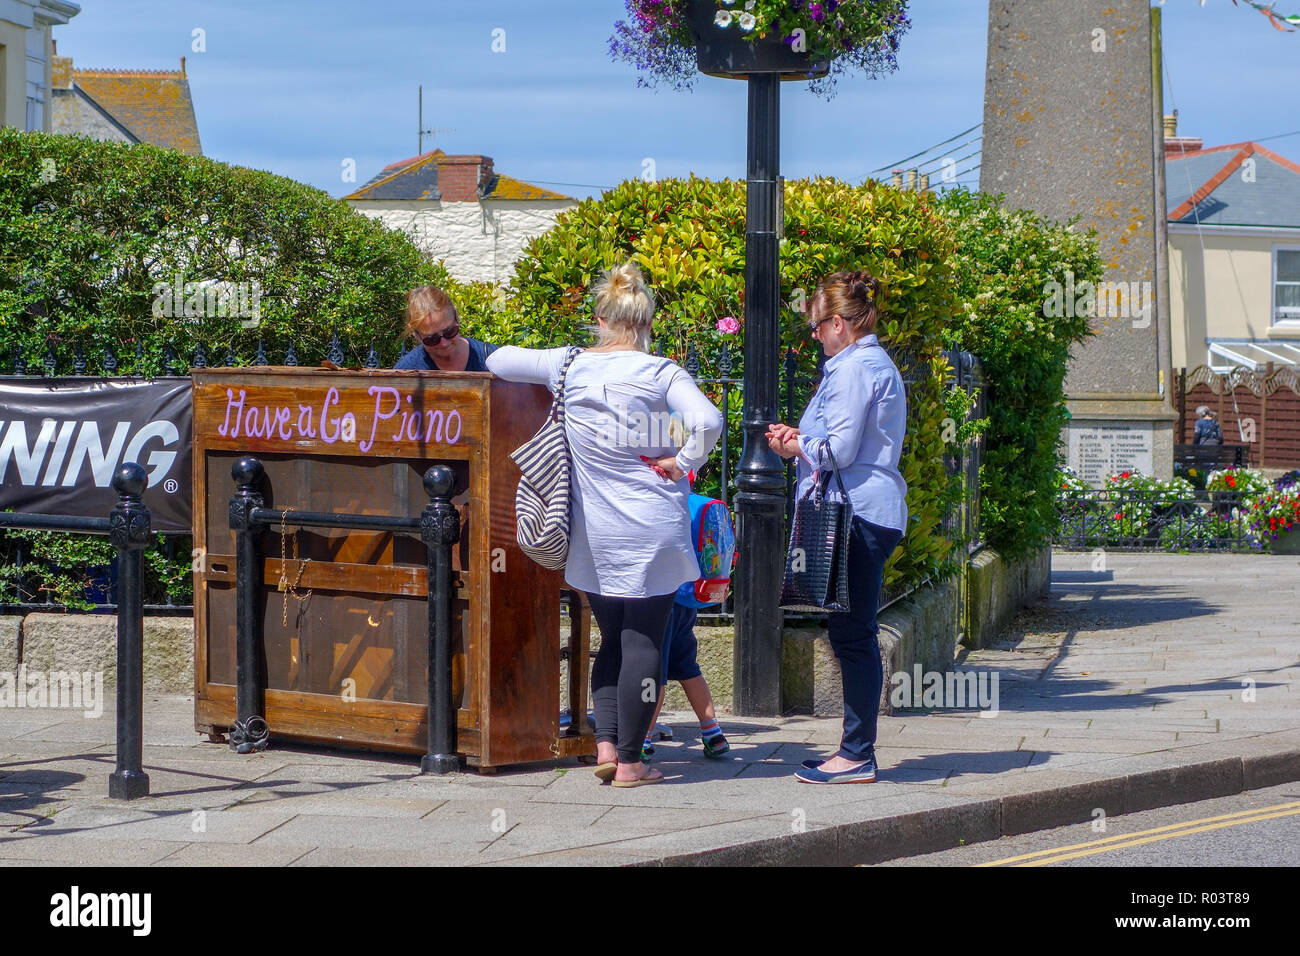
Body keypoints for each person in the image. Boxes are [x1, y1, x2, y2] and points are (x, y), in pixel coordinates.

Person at [486, 262, 723, 787]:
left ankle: (608, 747)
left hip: (594, 533)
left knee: (611, 639)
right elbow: (708, 421)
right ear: (647, 321)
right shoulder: (661, 373)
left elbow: (499, 359)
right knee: (645, 643)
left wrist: (559, 360)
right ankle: (633, 764)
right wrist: (680, 464)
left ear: (600, 319)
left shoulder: (570, 366)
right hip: (651, 529)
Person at [766, 271, 908, 785]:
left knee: (853, 637)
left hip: (857, 513)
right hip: (869, 509)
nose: (814, 335)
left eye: (818, 325)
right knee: (851, 634)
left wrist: (794, 445)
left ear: (840, 324)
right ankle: (852, 752)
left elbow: (838, 452)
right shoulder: (869, 364)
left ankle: (856, 755)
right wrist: (801, 437)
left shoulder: (852, 370)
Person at [642, 600, 729, 761]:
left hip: (660, 601)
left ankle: (642, 741)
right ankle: (714, 735)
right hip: (686, 603)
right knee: (688, 670)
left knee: (654, 674)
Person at [394, 286, 496, 371]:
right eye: (432, 339)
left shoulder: (494, 359)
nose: (444, 343)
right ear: (415, 334)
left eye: (449, 332)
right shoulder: (406, 371)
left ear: (456, 317)